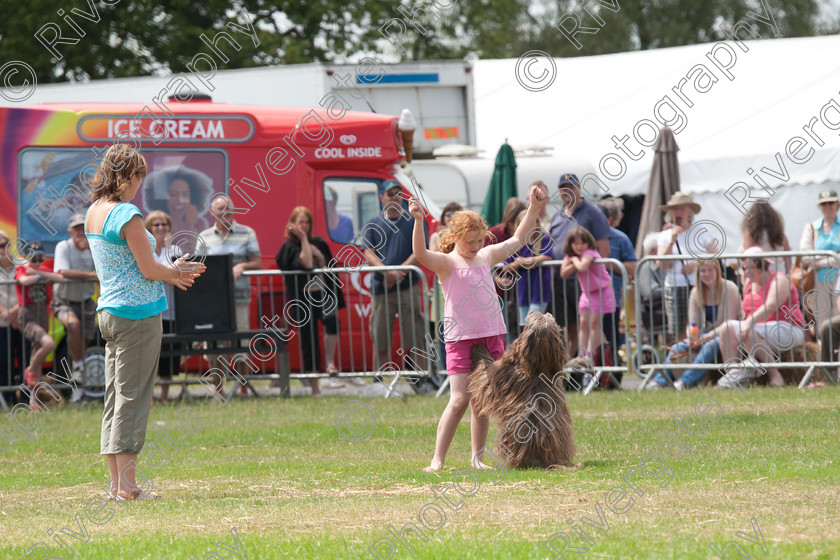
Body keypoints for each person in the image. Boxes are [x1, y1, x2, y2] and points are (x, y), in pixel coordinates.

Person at [85, 144, 205, 501]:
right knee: (133, 399)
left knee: (116, 396)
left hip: (110, 312)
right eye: (139, 176)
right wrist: (177, 274)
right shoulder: (127, 213)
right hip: (136, 315)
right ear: (126, 176)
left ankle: (116, 485)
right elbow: (149, 268)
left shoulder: (94, 210)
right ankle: (128, 488)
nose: (141, 184)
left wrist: (170, 270)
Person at [410, 184, 547, 473]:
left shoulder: (485, 257)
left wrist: (534, 207)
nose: (475, 246)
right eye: (469, 241)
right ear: (455, 238)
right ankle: (437, 460)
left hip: (491, 335)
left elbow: (518, 239)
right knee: (459, 400)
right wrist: (419, 221)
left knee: (482, 402)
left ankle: (477, 458)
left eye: (478, 240)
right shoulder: (447, 263)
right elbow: (421, 254)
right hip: (460, 339)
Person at [276, 206, 350, 397]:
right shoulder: (289, 247)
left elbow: (327, 266)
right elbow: (307, 265)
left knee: (332, 324)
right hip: (303, 299)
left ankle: (330, 362)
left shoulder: (319, 242)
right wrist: (303, 241)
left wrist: (319, 255)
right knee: (309, 340)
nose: (304, 226)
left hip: (324, 294)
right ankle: (315, 387)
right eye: (300, 222)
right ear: (292, 224)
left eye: (307, 222)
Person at [707, 247, 806, 389]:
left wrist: (748, 323)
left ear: (762, 265)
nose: (746, 272)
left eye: (750, 268)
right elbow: (745, 315)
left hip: (788, 328)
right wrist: (708, 336)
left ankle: (775, 377)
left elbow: (771, 306)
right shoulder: (747, 283)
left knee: (748, 330)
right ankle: (732, 378)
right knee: (727, 328)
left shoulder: (779, 279)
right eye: (744, 269)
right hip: (760, 330)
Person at [361, 180, 428, 373]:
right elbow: (368, 253)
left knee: (415, 334)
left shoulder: (413, 221)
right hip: (381, 289)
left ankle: (421, 379)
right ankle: (379, 380)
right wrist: (387, 272)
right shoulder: (373, 224)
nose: (394, 198)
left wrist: (400, 271)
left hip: (408, 286)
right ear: (382, 197)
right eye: (390, 194)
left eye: (398, 194)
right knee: (380, 336)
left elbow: (420, 250)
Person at [202, 194, 262, 396]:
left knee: (241, 342)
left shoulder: (247, 233)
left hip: (240, 297)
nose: (225, 213)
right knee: (215, 343)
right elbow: (198, 265)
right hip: (213, 302)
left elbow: (258, 262)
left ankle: (243, 387)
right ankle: (219, 387)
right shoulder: (204, 236)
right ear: (212, 213)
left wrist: (242, 265)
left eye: (228, 209)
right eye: (220, 209)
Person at [648, 261, 741, 389]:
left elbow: (729, 322)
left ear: (717, 271)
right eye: (703, 271)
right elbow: (693, 324)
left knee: (709, 346)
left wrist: (707, 336)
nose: (706, 274)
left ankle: (684, 382)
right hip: (704, 335)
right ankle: (659, 381)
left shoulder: (730, 288)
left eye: (710, 270)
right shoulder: (695, 292)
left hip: (727, 334)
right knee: (678, 346)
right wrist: (693, 337)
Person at [549, 173, 610, 358]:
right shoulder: (557, 215)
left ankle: (599, 365)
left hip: (585, 283)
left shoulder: (593, 212)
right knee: (570, 328)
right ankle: (574, 369)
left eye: (571, 187)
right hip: (561, 280)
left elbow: (604, 249)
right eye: (563, 188)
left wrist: (587, 269)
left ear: (579, 189)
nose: (567, 191)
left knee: (591, 326)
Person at [657, 192, 718, 341]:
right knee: (678, 329)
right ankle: (684, 358)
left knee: (701, 324)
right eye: (675, 209)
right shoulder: (665, 235)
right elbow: (661, 265)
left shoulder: (701, 229)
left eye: (682, 209)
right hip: (675, 286)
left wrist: (696, 265)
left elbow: (716, 255)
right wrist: (672, 240)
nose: (678, 213)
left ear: (689, 212)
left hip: (700, 285)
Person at [52, 213, 99, 399]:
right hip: (64, 299)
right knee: (73, 325)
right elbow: (62, 272)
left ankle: (76, 390)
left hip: (86, 300)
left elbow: (103, 271)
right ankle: (78, 368)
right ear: (70, 232)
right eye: (77, 229)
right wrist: (91, 275)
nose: (81, 232)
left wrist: (94, 252)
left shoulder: (94, 248)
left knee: (82, 344)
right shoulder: (63, 246)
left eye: (84, 229)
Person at [16, 242, 64, 408]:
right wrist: (38, 276)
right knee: (48, 343)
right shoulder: (21, 268)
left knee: (37, 351)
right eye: (33, 258)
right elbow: (23, 281)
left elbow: (60, 278)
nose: (36, 261)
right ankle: (30, 370)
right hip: (28, 314)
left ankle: (33, 401)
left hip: (42, 313)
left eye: (40, 258)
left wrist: (37, 273)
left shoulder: (40, 270)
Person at [560, 227, 616, 362]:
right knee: (583, 323)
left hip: (601, 292)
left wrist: (573, 260)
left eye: (582, 243)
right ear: (571, 244)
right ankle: (582, 355)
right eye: (576, 243)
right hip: (587, 294)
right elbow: (563, 272)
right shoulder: (573, 256)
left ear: (588, 243)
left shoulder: (590, 252)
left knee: (595, 324)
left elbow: (582, 267)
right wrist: (573, 260)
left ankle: (590, 356)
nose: (579, 247)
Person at [144, 211, 183, 404]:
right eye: (156, 225)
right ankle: (149, 397)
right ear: (149, 229)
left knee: (168, 356)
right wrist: (167, 276)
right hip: (151, 309)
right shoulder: (145, 249)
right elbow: (150, 273)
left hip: (172, 310)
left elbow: (179, 272)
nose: (160, 228)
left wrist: (167, 249)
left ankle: (166, 397)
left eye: (164, 225)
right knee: (151, 356)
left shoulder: (175, 249)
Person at [597, 197, 637, 370]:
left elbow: (633, 267)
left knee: (610, 337)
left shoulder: (621, 239)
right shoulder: (585, 237)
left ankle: (611, 375)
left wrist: (607, 263)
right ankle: (587, 375)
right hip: (586, 298)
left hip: (611, 298)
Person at [500, 210, 552, 326]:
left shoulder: (544, 238)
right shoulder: (515, 243)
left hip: (540, 291)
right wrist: (518, 263)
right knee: (525, 326)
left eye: (533, 222)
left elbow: (548, 257)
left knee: (534, 325)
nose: (531, 226)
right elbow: (505, 267)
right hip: (523, 292)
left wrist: (529, 261)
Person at [799, 190, 840, 332]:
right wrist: (834, 256)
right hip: (818, 281)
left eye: (831, 203)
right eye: (824, 203)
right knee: (823, 323)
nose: (828, 206)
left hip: (838, 280)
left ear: (837, 204)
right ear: (819, 206)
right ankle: (827, 353)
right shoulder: (811, 228)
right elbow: (805, 255)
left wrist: (820, 262)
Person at [486, 197, 526, 343]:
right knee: (502, 334)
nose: (514, 226)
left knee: (521, 334)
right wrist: (498, 279)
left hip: (522, 292)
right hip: (498, 295)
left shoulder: (527, 234)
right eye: (512, 222)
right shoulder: (493, 233)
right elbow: (483, 262)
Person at [429, 202, 463, 375]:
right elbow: (434, 258)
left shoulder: (466, 239)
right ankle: (446, 375)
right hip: (443, 290)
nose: (451, 216)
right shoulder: (436, 237)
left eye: (456, 213)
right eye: (448, 213)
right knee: (443, 335)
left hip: (461, 291)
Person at [143, 165, 213, 239]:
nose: (180, 200)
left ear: (192, 198)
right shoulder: (155, 224)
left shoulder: (199, 225)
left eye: (185, 195)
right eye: (173, 194)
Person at [0, 231, 27, 403]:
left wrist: (15, 312)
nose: (1, 250)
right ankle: (8, 400)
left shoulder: (22, 263)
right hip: (2, 322)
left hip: (22, 319)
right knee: (4, 362)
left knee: (26, 360)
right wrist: (6, 313)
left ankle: (26, 399)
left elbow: (29, 291)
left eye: (3, 245)